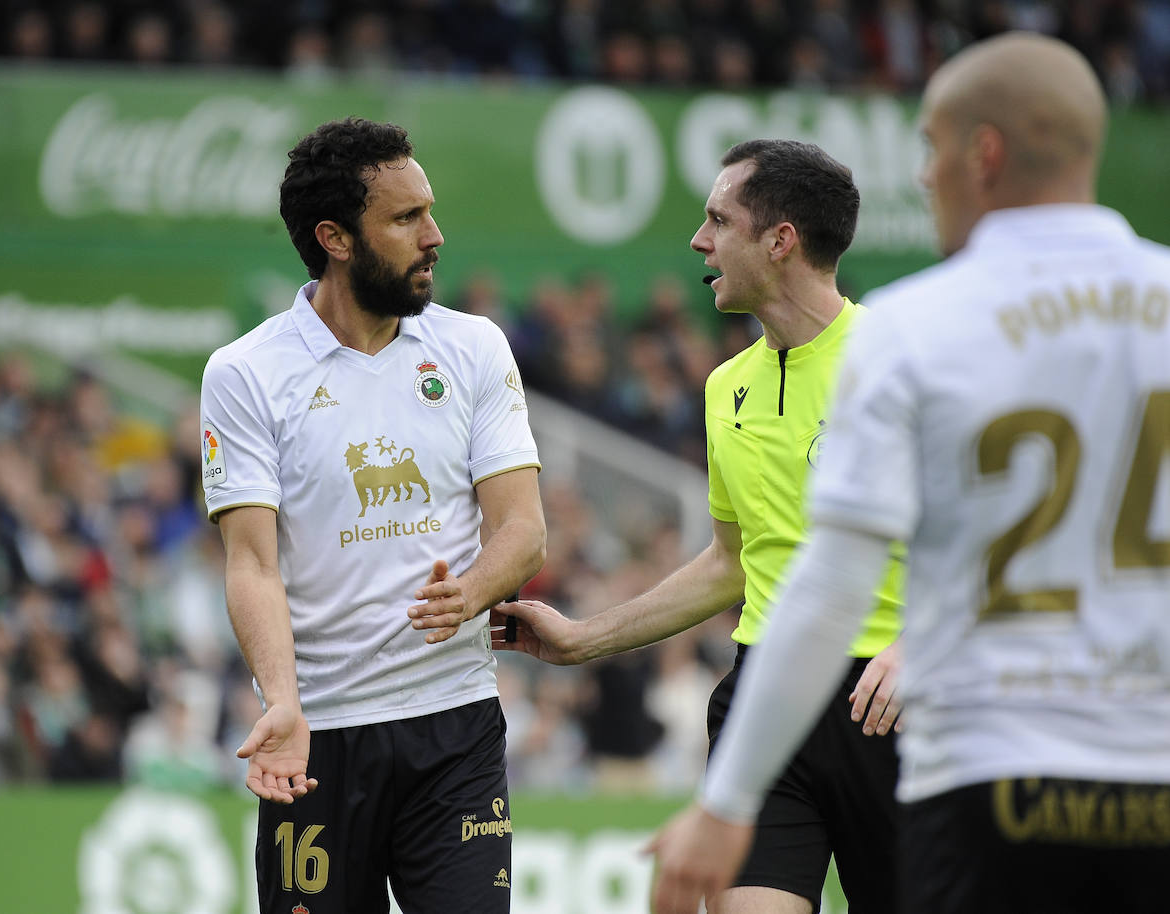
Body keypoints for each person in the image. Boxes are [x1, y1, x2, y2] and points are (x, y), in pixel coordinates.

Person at [649, 32, 1170, 914]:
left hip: (985, 768)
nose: (925, 176)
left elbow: (829, 587)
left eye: (930, 149)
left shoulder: (911, 329)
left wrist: (724, 800)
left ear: (986, 155)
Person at [493, 139, 907, 914]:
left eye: (719, 220)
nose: (699, 240)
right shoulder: (726, 388)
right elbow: (730, 562)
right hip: (767, 698)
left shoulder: (900, 362)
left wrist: (925, 643)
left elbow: (999, 539)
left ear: (780, 241)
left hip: (890, 705)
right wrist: (584, 638)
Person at [200, 117, 545, 913]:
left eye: (429, 210)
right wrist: (280, 701)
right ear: (336, 238)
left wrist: (471, 590)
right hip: (317, 737)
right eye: (405, 218)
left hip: (454, 722)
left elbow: (523, 529)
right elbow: (251, 563)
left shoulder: (474, 348)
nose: (435, 235)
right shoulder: (246, 372)